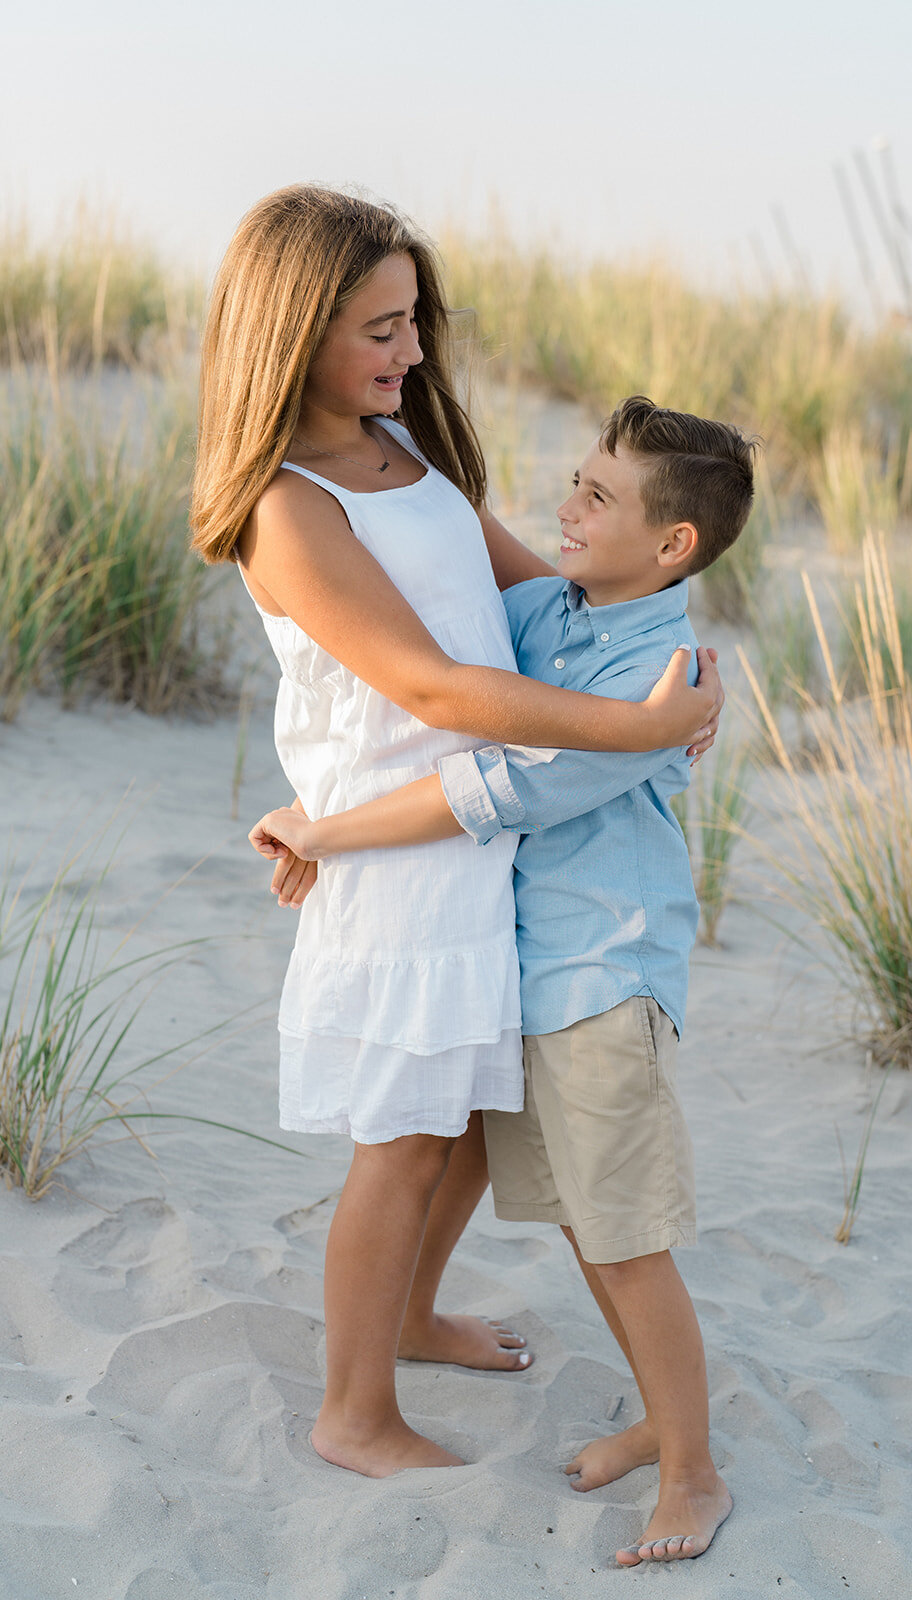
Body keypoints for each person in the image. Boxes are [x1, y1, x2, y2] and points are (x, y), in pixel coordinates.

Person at [190, 187, 724, 1482]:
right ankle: (351, 1411)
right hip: (401, 853)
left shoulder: (402, 457)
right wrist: (625, 733)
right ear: (295, 329)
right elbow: (430, 688)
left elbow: (539, 591)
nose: (412, 351)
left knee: (473, 1122)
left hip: (486, 844)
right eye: (381, 327)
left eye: (415, 320)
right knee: (405, 1141)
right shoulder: (290, 506)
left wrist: (664, 667)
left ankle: (415, 1322)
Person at [249, 395, 756, 1566]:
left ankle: (693, 1469)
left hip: (598, 974)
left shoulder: (651, 678)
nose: (563, 507)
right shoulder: (554, 613)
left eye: (595, 496)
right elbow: (458, 672)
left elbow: (496, 786)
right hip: (527, 965)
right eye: (574, 482)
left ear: (672, 545)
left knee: (622, 1234)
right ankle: (647, 1416)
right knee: (576, 1218)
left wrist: (333, 835)